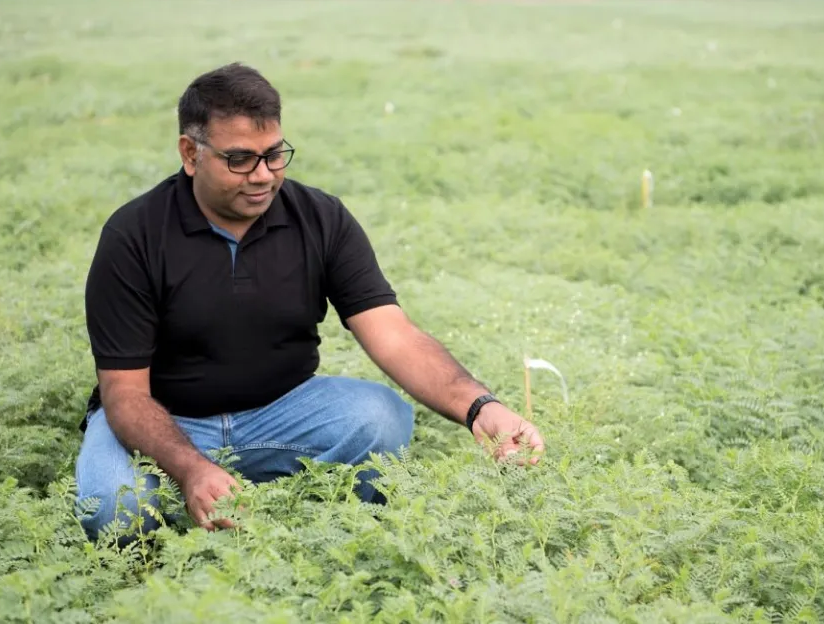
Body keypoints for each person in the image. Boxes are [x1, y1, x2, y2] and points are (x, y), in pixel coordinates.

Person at [75, 62, 545, 543]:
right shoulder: (134, 236)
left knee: (380, 419)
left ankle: (312, 517)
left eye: (274, 154)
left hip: (281, 412)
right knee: (115, 507)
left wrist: (481, 407)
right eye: (239, 160)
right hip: (166, 420)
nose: (263, 176)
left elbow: (395, 336)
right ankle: (203, 493)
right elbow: (125, 395)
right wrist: (189, 467)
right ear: (190, 154)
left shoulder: (321, 218)